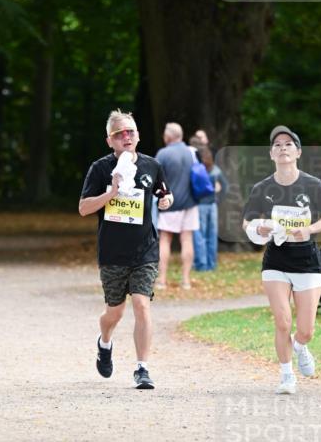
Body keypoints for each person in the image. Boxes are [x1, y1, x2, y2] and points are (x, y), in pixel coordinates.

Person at [79, 110, 173, 390]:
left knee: (142, 305)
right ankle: (104, 341)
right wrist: (111, 193)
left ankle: (142, 369)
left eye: (130, 131)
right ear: (110, 140)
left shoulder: (152, 165)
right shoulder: (100, 168)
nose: (126, 136)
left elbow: (163, 192)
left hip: (145, 250)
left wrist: (167, 200)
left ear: (138, 136)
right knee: (114, 313)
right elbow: (83, 208)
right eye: (119, 133)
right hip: (112, 252)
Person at [242, 126, 321, 395]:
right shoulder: (263, 188)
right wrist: (257, 229)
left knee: (305, 330)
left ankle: (301, 345)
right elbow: (247, 221)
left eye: (288, 144)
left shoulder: (312, 184)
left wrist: (309, 230)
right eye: (277, 145)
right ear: (272, 154)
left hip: (307, 260)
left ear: (298, 152)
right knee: (282, 321)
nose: (282, 148)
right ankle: (286, 375)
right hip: (276, 261)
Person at [154, 123, 198, 288]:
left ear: (168, 136)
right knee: (187, 239)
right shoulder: (191, 152)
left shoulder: (163, 154)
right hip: (191, 203)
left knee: (165, 239)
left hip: (170, 202)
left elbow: (155, 177)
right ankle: (186, 280)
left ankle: (162, 280)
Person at [193, 145, 228, 271]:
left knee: (200, 236)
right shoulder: (216, 170)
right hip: (213, 206)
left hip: (199, 206)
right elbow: (225, 187)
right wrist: (218, 200)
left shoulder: (197, 170)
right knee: (212, 236)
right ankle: (211, 264)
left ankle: (201, 265)